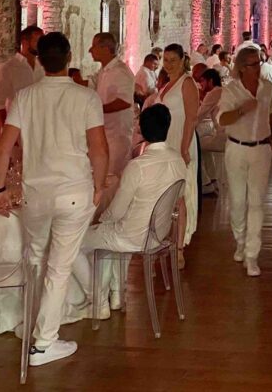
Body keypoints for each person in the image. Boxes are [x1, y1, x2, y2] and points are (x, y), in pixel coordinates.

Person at [0, 32, 108, 366]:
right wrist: (99, 185)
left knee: (37, 259)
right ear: (69, 57)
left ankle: (32, 324)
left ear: (39, 60)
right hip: (73, 191)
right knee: (58, 268)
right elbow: (99, 149)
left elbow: (3, 147)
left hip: (36, 194)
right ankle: (43, 343)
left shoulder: (25, 97)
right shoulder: (85, 97)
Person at [72, 104, 187, 316]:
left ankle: (97, 299)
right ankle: (117, 294)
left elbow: (116, 211)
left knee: (72, 243)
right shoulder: (178, 160)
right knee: (115, 230)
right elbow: (178, 201)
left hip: (134, 237)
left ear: (141, 130)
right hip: (159, 234)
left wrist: (101, 219)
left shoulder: (138, 166)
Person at [218, 47, 272, 277]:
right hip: (237, 147)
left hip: (261, 149)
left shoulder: (267, 88)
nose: (258, 68)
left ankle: (252, 254)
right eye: (253, 64)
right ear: (242, 68)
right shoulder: (231, 90)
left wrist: (271, 134)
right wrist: (242, 110)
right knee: (237, 201)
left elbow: (271, 112)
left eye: (259, 63)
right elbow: (222, 119)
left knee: (256, 202)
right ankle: (241, 241)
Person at [158, 44, 200, 265]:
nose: (168, 64)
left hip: (180, 141)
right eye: (165, 60)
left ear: (183, 60)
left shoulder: (187, 83)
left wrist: (184, 148)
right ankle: (166, 240)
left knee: (181, 196)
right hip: (166, 142)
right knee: (166, 194)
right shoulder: (166, 84)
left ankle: (180, 247)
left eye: (173, 60)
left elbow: (192, 117)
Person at [89, 33, 135, 181]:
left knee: (113, 177)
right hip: (105, 132)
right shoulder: (104, 71)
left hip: (117, 135)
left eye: (94, 46)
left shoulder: (120, 71)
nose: (90, 50)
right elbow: (91, 85)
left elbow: (124, 101)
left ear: (105, 49)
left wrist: (97, 110)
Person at [0, 24, 44, 129]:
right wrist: (7, 131)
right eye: (38, 41)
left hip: (40, 126)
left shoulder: (43, 67)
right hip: (18, 127)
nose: (41, 45)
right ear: (25, 42)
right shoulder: (8, 68)